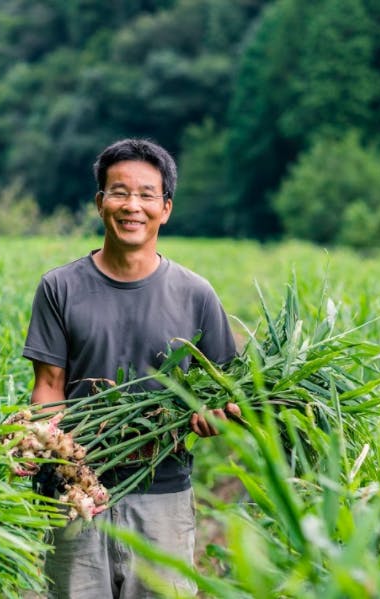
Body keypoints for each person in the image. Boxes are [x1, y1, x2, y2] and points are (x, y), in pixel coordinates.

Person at [23, 138, 240, 598]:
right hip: (75, 494)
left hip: (162, 491)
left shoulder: (195, 294)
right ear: (100, 203)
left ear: (166, 208)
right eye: (119, 192)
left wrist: (214, 417)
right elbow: (48, 385)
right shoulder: (59, 287)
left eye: (146, 195)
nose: (132, 206)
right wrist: (41, 444)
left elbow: (227, 392)